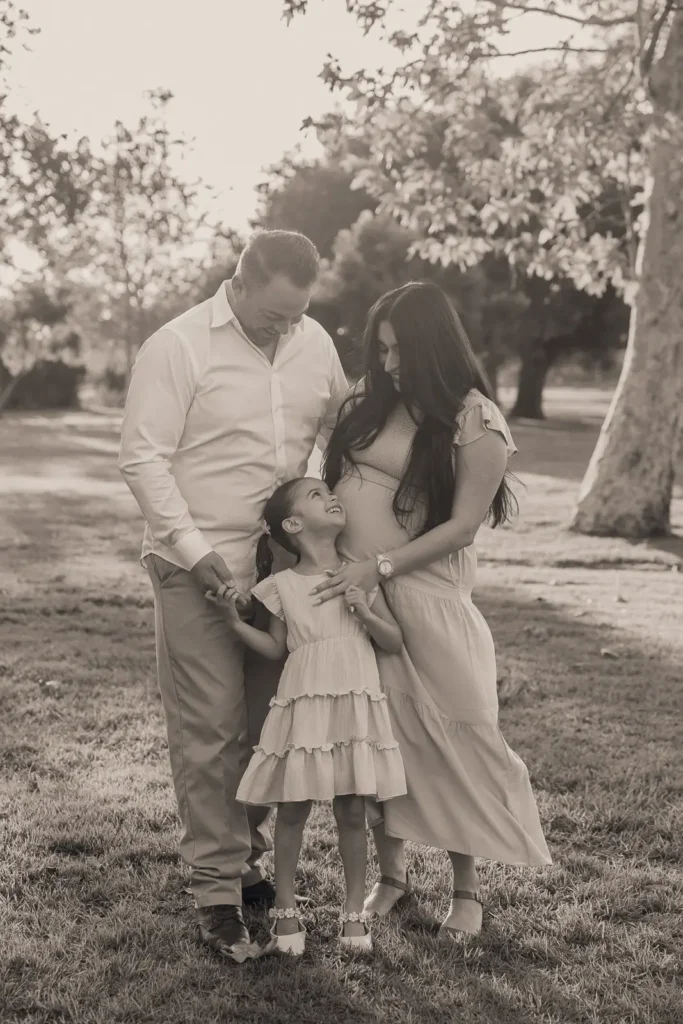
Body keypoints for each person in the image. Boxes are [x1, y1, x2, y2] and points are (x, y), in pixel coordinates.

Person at [118, 230, 349, 962]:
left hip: (282, 570)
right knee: (211, 731)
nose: (285, 328)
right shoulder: (178, 345)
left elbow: (339, 434)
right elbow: (142, 458)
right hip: (196, 565)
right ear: (239, 285)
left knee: (267, 726)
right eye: (272, 314)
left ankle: (247, 864)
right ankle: (217, 893)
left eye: (297, 314)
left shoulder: (314, 343)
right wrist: (196, 553)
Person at [309, 280, 552, 939]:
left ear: (431, 347)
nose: (386, 363)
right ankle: (390, 879)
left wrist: (379, 565)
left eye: (398, 351)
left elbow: (464, 525)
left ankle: (465, 890)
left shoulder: (476, 420)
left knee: (455, 734)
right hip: (355, 599)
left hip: (427, 601)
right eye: (380, 349)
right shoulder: (369, 405)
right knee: (372, 740)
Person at [208, 477, 406, 955]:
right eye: (317, 495)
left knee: (352, 809)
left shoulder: (358, 575)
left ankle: (354, 915)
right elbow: (275, 647)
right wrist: (234, 623)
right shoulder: (280, 587)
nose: (331, 496)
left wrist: (365, 611)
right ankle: (285, 916)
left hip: (352, 700)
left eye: (329, 492)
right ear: (293, 524)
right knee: (292, 806)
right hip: (304, 701)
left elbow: (394, 641)